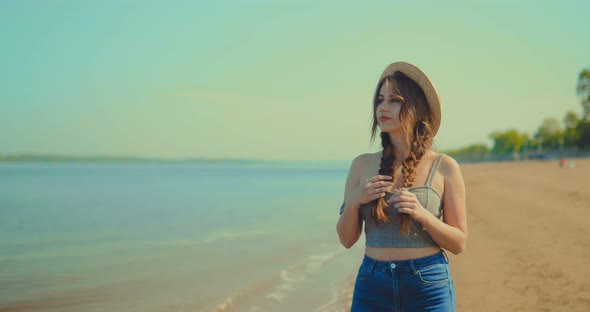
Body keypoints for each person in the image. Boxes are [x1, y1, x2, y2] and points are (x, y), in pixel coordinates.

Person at [336, 62, 467, 311]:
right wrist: (354, 200)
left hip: (428, 285)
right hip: (372, 285)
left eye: (394, 100)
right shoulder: (361, 165)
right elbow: (346, 239)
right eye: (380, 99)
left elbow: (459, 243)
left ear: (417, 108)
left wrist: (423, 216)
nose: (383, 107)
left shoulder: (445, 167)